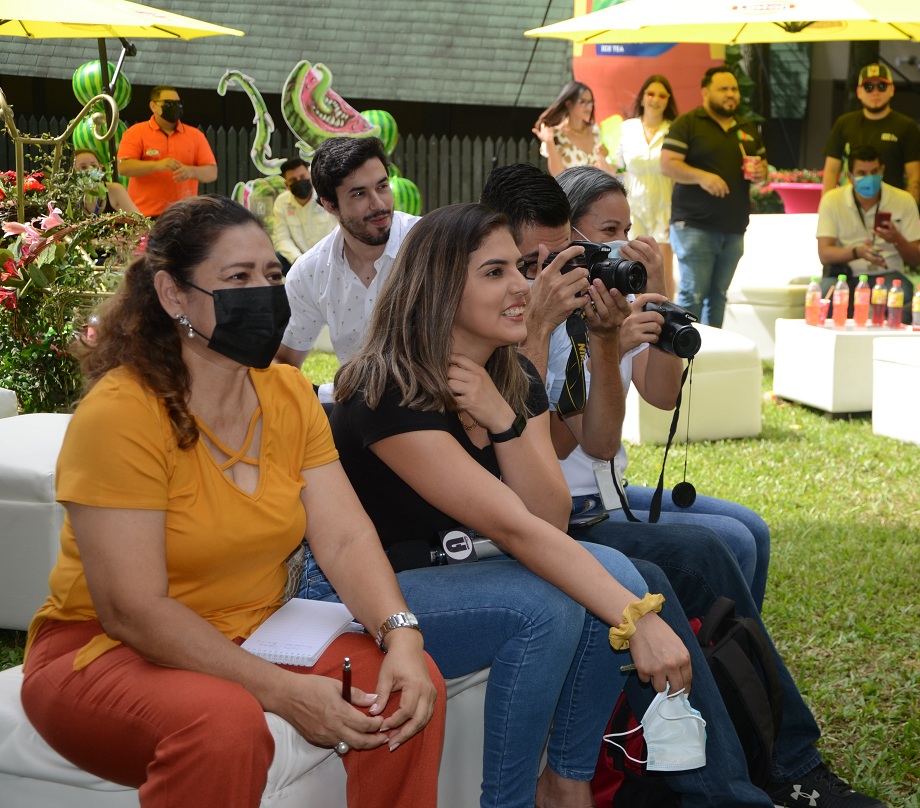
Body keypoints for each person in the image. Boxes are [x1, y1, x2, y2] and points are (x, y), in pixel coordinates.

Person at [479, 165, 887, 808]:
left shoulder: (571, 311)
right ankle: (730, 789)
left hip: (579, 506)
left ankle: (788, 763)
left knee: (717, 546)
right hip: (531, 523)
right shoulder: (485, 317)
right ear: (488, 252)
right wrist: (537, 332)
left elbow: (604, 438)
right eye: (527, 264)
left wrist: (605, 340)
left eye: (560, 260)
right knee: (664, 572)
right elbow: (540, 489)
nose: (548, 276)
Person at [20, 195, 444, 808]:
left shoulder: (290, 394)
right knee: (222, 726)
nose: (264, 293)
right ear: (172, 295)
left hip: (261, 630)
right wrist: (278, 690)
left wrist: (400, 634)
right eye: (238, 278)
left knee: (408, 684)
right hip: (105, 651)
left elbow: (345, 537)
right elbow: (133, 611)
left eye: (272, 275)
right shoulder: (121, 413)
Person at [302, 203, 692, 808]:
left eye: (519, 267)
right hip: (369, 594)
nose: (522, 286)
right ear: (438, 290)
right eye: (494, 272)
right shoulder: (387, 388)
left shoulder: (509, 378)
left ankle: (565, 781)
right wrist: (640, 620)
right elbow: (514, 528)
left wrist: (503, 421)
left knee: (617, 571)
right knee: (545, 606)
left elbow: (550, 520)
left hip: (460, 571)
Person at [481, 161, 770, 607]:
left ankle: (733, 659)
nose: (623, 243)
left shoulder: (604, 305)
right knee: (725, 543)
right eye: (610, 228)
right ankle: (729, 662)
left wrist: (655, 298)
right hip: (574, 500)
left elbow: (663, 395)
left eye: (628, 228)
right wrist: (601, 345)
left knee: (750, 529)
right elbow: (566, 443)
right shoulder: (527, 313)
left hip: (608, 486)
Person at [275, 137, 419, 368]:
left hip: (436, 398)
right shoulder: (309, 272)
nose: (379, 204)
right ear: (330, 205)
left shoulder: (430, 245)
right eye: (359, 194)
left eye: (382, 186)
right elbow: (285, 361)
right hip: (356, 399)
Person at [661, 65, 767, 328]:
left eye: (734, 89)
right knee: (693, 293)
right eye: (724, 89)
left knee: (718, 296)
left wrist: (761, 173)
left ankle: (711, 355)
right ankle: (681, 355)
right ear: (706, 93)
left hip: (733, 227)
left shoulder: (748, 127)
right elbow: (667, 164)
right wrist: (702, 177)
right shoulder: (688, 123)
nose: (731, 94)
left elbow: (762, 170)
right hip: (694, 225)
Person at [816, 144, 919, 321]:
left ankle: (888, 346)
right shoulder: (832, 200)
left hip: (888, 274)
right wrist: (857, 252)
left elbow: (916, 259)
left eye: (874, 171)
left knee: (901, 295)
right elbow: (825, 254)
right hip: (845, 274)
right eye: (862, 173)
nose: (869, 178)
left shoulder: (903, 200)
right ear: (850, 176)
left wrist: (897, 240)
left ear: (882, 170)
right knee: (825, 293)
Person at [614, 74, 678, 298]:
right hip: (632, 207)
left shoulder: (674, 129)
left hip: (665, 206)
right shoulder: (627, 128)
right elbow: (616, 166)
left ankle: (666, 322)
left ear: (668, 100)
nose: (656, 99)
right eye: (651, 93)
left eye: (662, 95)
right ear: (642, 98)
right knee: (634, 271)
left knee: (664, 272)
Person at [821, 64, 920, 205]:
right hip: (850, 209)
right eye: (868, 87)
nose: (875, 92)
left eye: (881, 86)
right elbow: (831, 170)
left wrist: (908, 210)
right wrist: (827, 207)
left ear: (892, 90)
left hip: (890, 209)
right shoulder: (844, 123)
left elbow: (914, 176)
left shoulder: (907, 127)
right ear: (859, 92)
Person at [117, 86, 218, 217]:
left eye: (178, 103)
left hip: (183, 217)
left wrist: (191, 171)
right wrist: (157, 165)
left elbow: (212, 173)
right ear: (153, 106)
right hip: (143, 216)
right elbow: (123, 167)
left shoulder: (195, 135)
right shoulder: (136, 132)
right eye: (169, 103)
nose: (175, 107)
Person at [268, 156, 337, 274]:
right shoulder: (282, 202)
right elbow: (281, 238)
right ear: (287, 185)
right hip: (297, 261)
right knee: (274, 260)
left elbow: (339, 231)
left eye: (302, 177)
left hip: (330, 259)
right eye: (293, 180)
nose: (299, 181)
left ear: (310, 176)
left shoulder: (326, 196)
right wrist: (299, 261)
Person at [533, 81, 615, 177]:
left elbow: (608, 174)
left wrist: (603, 156)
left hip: (593, 191)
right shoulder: (556, 135)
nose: (588, 106)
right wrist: (549, 142)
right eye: (582, 102)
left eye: (590, 102)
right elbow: (558, 175)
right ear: (568, 104)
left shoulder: (595, 130)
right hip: (569, 191)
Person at [72, 149, 141, 215]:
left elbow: (141, 223)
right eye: (83, 167)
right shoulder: (69, 196)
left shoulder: (115, 190)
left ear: (101, 168)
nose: (90, 170)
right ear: (72, 173)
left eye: (94, 166)